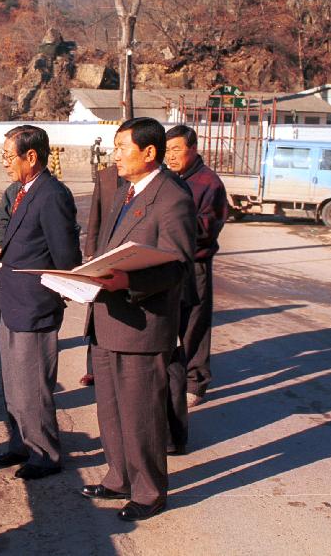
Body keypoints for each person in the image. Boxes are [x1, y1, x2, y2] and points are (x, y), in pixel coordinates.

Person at [80, 117, 195, 521]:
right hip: (109, 316)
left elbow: (178, 267)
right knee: (110, 409)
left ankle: (149, 491)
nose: (116, 156)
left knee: (140, 412)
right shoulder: (124, 191)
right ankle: (119, 477)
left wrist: (127, 279)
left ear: (149, 152)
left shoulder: (172, 197)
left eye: (122, 148)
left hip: (143, 323)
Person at [0, 125, 82, 480]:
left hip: (34, 304)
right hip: (11, 302)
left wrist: (56, 295)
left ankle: (45, 453)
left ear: (32, 156)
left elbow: (65, 255)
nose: (4, 164)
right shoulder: (21, 191)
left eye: (8, 156)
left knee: (33, 386)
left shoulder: (52, 194)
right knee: (14, 385)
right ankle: (21, 444)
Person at [165, 125, 228, 410]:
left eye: (176, 150)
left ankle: (195, 381)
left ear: (193, 148)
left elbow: (207, 228)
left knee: (195, 324)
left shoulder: (209, 183)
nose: (171, 156)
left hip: (195, 263)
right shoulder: (168, 179)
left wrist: (172, 227)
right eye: (167, 151)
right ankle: (172, 375)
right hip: (168, 261)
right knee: (170, 322)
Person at [80, 164, 124, 386]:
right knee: (96, 312)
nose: (117, 153)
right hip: (103, 253)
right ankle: (93, 368)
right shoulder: (106, 176)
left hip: (129, 257)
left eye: (122, 147)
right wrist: (90, 251)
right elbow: (95, 215)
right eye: (116, 147)